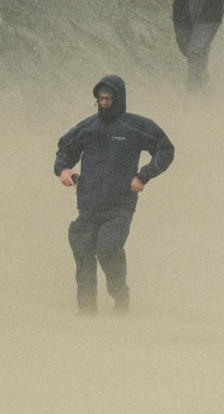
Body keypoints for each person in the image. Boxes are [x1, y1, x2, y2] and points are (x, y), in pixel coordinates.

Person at [54, 75, 174, 315]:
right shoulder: (88, 127)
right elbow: (65, 148)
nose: (105, 103)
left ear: (119, 99)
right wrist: (63, 169)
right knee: (83, 251)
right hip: (87, 205)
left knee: (108, 248)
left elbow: (165, 149)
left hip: (120, 205)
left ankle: (121, 299)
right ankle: (86, 313)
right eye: (101, 99)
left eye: (109, 98)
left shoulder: (136, 126)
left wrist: (143, 176)